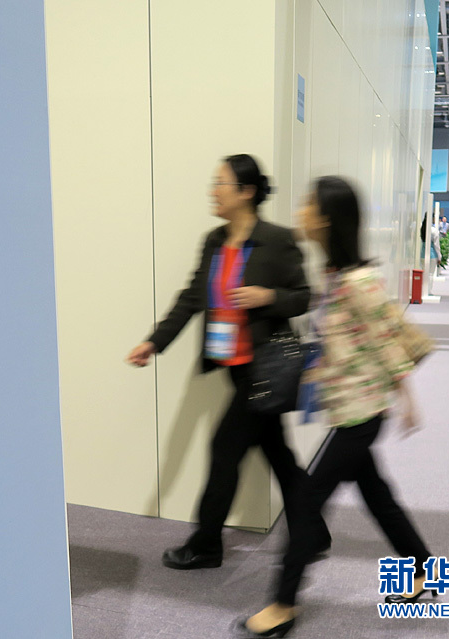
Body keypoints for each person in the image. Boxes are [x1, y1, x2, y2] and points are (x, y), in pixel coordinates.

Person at [240, 177, 433, 638]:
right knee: (377, 495)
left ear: (326, 219)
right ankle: (422, 567)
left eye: (308, 204)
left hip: (361, 415)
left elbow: (387, 340)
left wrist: (407, 399)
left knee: (306, 502)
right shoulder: (334, 275)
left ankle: (283, 604)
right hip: (349, 408)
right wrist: (316, 372)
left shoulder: (358, 282)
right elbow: (346, 340)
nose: (301, 211)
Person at [126, 154, 328, 570]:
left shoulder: (277, 239)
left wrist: (268, 296)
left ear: (246, 192)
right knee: (278, 455)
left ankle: (206, 544)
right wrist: (154, 342)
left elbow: (304, 296)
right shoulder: (214, 241)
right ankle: (312, 531)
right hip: (235, 368)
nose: (213, 192)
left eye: (221, 184)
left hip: (263, 368)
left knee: (224, 450)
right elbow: (191, 298)